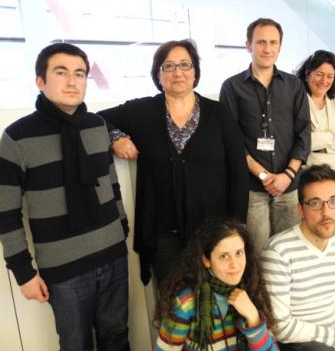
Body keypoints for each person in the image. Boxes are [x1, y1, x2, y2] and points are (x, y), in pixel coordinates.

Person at [0, 43, 130, 350]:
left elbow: (111, 185)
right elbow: (5, 215)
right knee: (75, 345)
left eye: (80, 73)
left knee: (117, 337)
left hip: (112, 255)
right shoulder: (17, 138)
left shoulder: (96, 126)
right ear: (40, 81)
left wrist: (122, 229)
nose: (72, 81)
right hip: (65, 270)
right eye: (61, 72)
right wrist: (23, 273)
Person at [98, 39, 249, 286]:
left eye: (184, 65)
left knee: (216, 303)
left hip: (214, 232)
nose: (177, 72)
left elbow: (238, 173)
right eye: (168, 66)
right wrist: (117, 138)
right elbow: (96, 120)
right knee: (173, 306)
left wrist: (236, 231)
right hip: (163, 234)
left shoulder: (219, 113)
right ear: (158, 75)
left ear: (195, 72)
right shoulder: (143, 111)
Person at [220, 18, 310, 253]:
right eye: (260, 42)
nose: (267, 48)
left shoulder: (294, 85)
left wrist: (287, 175)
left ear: (280, 46)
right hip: (252, 188)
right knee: (257, 252)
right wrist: (263, 175)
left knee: (290, 250)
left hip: (288, 186)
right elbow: (231, 140)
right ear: (248, 45)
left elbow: (303, 133)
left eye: (273, 42)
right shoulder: (231, 87)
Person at [262, 164, 335, 351]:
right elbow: (280, 327)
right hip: (295, 343)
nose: (326, 212)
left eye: (333, 201)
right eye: (315, 203)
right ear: (301, 209)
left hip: (329, 334)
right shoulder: (278, 252)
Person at [154, 217, 278, 350]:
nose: (235, 264)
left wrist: (254, 318)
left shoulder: (252, 291)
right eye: (224, 256)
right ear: (206, 260)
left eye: (239, 253)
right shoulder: (186, 303)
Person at [296, 50, 335, 190]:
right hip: (308, 172)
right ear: (307, 73)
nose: (324, 81)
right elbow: (303, 142)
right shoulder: (297, 100)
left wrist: (318, 146)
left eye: (330, 76)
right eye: (319, 74)